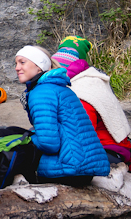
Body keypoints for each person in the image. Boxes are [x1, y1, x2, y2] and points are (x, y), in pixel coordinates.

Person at [12, 45, 111, 185]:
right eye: (16, 63)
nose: (17, 68)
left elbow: (50, 144)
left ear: (39, 66)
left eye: (22, 62)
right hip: (83, 167)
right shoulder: (58, 87)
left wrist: (26, 139)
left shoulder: (41, 93)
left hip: (66, 170)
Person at [50, 37, 131, 169]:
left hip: (106, 150)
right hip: (116, 147)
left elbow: (81, 133)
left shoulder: (81, 92)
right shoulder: (93, 81)